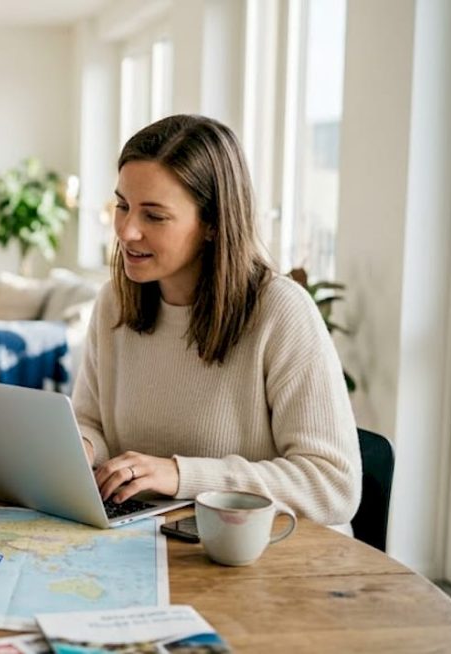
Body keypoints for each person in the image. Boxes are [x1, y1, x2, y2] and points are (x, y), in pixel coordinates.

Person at [74, 114, 361, 526]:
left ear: (211, 224)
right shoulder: (114, 305)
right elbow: (92, 423)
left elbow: (333, 486)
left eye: (153, 216)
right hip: (158, 540)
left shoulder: (281, 312)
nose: (127, 231)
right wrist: (80, 447)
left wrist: (181, 475)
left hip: (263, 555)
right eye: (122, 206)